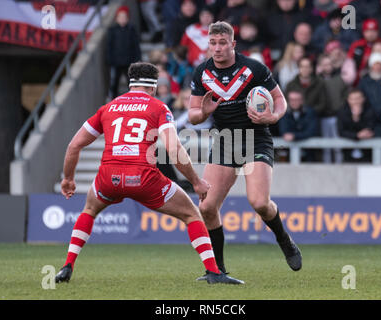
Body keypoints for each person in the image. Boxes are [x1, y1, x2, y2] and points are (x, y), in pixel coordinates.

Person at [54, 62, 243, 285]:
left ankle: (67, 266)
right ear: (153, 87)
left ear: (130, 84)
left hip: (109, 176)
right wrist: (196, 181)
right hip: (143, 177)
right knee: (192, 214)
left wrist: (68, 179)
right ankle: (213, 272)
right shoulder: (158, 107)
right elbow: (173, 149)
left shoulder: (108, 108)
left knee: (89, 210)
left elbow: (74, 145)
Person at [188, 21, 302, 280]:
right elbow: (193, 114)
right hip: (225, 141)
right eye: (213, 43)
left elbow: (281, 100)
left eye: (222, 43)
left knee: (260, 203)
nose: (217, 48)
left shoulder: (254, 68)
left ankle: (283, 239)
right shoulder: (202, 73)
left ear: (232, 44)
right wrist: (203, 113)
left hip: (255, 139)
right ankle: (217, 272)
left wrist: (273, 117)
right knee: (206, 208)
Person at [358, 52, 381, 137]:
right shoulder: (365, 81)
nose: (378, 67)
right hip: (368, 116)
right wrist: (371, 109)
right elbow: (361, 96)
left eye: (380, 64)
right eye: (375, 64)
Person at [106, 6, 141, 100]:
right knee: (114, 82)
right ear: (116, 18)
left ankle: (134, 99)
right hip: (116, 62)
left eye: (124, 17)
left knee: (131, 82)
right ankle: (113, 99)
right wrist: (110, 60)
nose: (122, 19)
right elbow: (109, 46)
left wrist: (137, 59)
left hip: (129, 61)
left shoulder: (131, 29)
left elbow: (136, 46)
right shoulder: (112, 30)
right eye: (120, 17)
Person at [278, 89, 319, 162]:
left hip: (309, 153)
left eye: (297, 100)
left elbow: (311, 131)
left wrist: (294, 136)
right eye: (292, 100)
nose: (294, 102)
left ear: (302, 101)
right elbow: (284, 131)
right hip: (289, 152)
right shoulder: (284, 113)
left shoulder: (310, 112)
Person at [337, 88, 376, 163]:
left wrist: (359, 119)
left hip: (367, 150)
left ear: (363, 99)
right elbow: (341, 131)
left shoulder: (370, 110)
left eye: (358, 98)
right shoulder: (342, 112)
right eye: (353, 99)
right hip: (348, 150)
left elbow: (371, 127)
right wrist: (356, 135)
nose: (356, 102)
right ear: (348, 100)